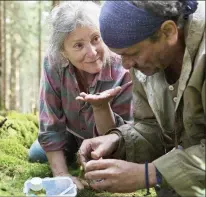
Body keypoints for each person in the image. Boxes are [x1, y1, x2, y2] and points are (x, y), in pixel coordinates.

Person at [78, 1, 205, 196]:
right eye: (120, 56)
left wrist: (150, 174)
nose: (126, 65)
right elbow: (153, 126)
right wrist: (117, 140)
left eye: (132, 53)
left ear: (168, 32)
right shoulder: (146, 66)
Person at [28, 1, 133, 190]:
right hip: (71, 135)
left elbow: (123, 135)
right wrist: (62, 175)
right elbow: (50, 123)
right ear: (63, 52)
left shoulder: (123, 65)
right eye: (78, 45)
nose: (92, 53)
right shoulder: (53, 64)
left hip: (111, 140)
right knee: (37, 154)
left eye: (96, 39)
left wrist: (101, 107)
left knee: (101, 176)